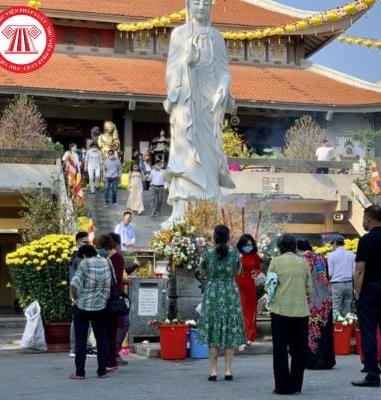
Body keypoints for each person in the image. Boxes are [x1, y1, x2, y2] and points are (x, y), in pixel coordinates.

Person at [163, 0, 236, 222]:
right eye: (197, 2)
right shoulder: (179, 34)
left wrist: (223, 87)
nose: (202, 6)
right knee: (187, 151)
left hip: (210, 103)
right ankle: (184, 211)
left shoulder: (217, 36)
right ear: (188, 5)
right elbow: (171, 71)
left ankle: (211, 205)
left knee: (210, 153)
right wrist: (188, 62)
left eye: (206, 2)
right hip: (186, 100)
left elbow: (223, 70)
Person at [351, 205, 381, 388]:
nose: (364, 223)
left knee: (369, 332)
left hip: (370, 290)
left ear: (369, 219)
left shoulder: (366, 240)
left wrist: (357, 292)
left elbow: (359, 270)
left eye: (364, 219)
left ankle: (372, 374)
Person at [197, 225, 246, 381]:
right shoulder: (235, 253)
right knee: (229, 331)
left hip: (213, 293)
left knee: (213, 331)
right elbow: (238, 272)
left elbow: (202, 273)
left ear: (214, 237)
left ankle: (213, 371)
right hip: (230, 292)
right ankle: (228, 371)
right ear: (228, 237)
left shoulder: (208, 253)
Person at [268, 234, 312, 395]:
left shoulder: (275, 262)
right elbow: (309, 289)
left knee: (280, 350)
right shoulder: (303, 263)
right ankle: (296, 386)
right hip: (301, 311)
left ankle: (281, 386)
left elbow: (270, 285)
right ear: (294, 247)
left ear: (280, 247)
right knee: (299, 350)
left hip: (280, 310)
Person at [69, 244, 111, 379]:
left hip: (83, 307)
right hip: (102, 306)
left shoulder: (85, 263)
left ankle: (80, 372)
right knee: (102, 339)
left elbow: (74, 284)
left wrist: (75, 299)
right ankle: (102, 371)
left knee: (81, 339)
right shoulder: (107, 262)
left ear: (84, 255)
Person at [296, 239, 335, 371]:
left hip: (311, 300)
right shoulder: (322, 258)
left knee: (312, 331)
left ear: (299, 249)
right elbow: (327, 277)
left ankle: (314, 361)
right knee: (324, 330)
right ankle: (327, 360)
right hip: (325, 300)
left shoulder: (302, 260)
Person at [95, 234, 125, 372]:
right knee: (106, 331)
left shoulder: (116, 257)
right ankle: (108, 359)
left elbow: (118, 277)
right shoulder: (106, 258)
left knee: (111, 331)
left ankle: (112, 360)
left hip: (113, 297)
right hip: (105, 296)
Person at [69, 232, 95, 358]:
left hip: (84, 292)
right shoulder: (77, 256)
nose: (87, 245)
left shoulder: (80, 256)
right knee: (78, 322)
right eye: (84, 242)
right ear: (78, 242)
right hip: (78, 292)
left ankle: (85, 346)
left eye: (88, 243)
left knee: (86, 322)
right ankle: (76, 347)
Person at [108, 232, 130, 367]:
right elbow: (118, 277)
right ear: (116, 244)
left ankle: (111, 352)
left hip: (107, 294)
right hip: (117, 296)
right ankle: (114, 352)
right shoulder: (117, 256)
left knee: (112, 325)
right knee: (123, 323)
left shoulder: (105, 256)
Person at [235, 234, 262, 345]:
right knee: (239, 309)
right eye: (246, 245)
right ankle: (238, 336)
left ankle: (249, 336)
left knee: (250, 310)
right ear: (241, 245)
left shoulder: (254, 255)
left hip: (250, 285)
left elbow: (258, 268)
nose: (248, 246)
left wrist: (255, 273)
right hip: (236, 284)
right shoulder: (235, 255)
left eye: (250, 245)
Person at [326, 235, 355, 318]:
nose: (332, 246)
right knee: (347, 309)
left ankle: (337, 329)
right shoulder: (351, 255)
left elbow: (330, 273)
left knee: (336, 309)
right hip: (349, 283)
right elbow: (354, 272)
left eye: (332, 244)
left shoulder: (331, 255)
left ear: (335, 243)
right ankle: (346, 329)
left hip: (336, 284)